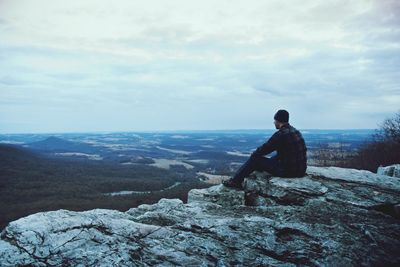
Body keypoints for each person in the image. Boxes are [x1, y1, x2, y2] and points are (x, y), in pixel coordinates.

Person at [223, 109, 307, 189]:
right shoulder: (295, 131)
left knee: (255, 160)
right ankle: (259, 167)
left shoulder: (280, 134)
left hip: (288, 171)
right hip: (301, 170)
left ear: (278, 121)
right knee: (275, 157)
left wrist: (254, 156)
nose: (274, 122)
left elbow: (264, 149)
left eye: (275, 120)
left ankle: (235, 181)